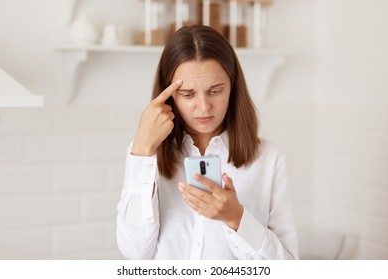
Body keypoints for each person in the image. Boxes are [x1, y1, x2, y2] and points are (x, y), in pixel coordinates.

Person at [116, 25, 298, 260]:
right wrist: (141, 151)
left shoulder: (269, 159)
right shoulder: (146, 157)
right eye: (188, 94)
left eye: (215, 91)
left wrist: (237, 219)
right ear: (168, 93)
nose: (203, 107)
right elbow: (134, 252)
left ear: (233, 86)